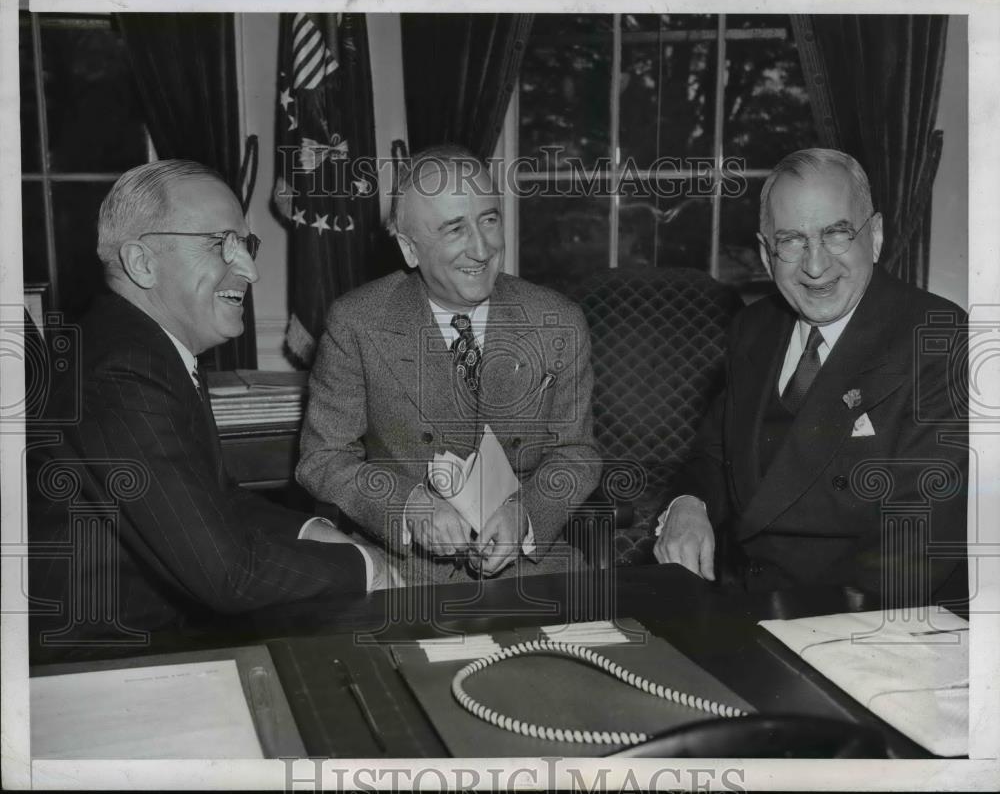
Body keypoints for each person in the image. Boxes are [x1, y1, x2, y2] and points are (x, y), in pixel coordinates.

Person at [28, 160, 394, 647]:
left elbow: (216, 497)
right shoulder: (123, 371)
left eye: (245, 244)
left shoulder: (141, 345)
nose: (250, 270)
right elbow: (229, 576)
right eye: (220, 243)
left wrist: (313, 530)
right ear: (142, 263)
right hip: (99, 657)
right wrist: (370, 567)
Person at [653, 148, 967, 604]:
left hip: (864, 619)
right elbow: (714, 453)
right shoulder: (753, 327)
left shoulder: (939, 338)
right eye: (791, 241)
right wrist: (688, 504)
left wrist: (785, 626)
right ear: (766, 254)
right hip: (743, 600)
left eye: (836, 234)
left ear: (875, 236)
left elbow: (914, 550)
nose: (815, 267)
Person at [297, 145, 602, 585]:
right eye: (455, 229)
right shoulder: (358, 322)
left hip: (534, 571)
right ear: (409, 248)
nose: (481, 248)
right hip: (403, 576)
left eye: (489, 220)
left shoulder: (558, 320)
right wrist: (408, 506)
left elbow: (576, 454)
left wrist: (526, 514)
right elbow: (323, 458)